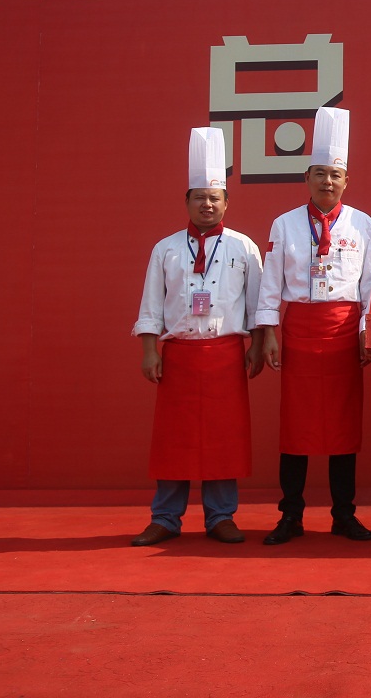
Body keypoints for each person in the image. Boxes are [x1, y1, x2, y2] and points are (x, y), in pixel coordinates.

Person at [130, 127, 264, 546]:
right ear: (186, 201)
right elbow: (151, 305)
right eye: (199, 197)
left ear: (226, 202)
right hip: (180, 356)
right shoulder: (166, 249)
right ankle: (166, 518)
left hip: (226, 354)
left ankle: (221, 517)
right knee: (174, 441)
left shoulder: (244, 247)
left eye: (214, 198)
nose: (207, 204)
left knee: (224, 440)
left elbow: (258, 305)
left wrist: (258, 347)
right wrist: (150, 351)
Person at [255, 108, 371, 545]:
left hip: (344, 330)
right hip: (300, 331)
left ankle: (344, 514)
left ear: (346, 180)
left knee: (343, 429)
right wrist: (269, 331)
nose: (328, 181)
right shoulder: (284, 223)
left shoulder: (362, 223)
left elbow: (370, 282)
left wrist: (366, 330)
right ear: (306, 177)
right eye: (320, 174)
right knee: (296, 429)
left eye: (335, 175)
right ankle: (291, 516)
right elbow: (271, 282)